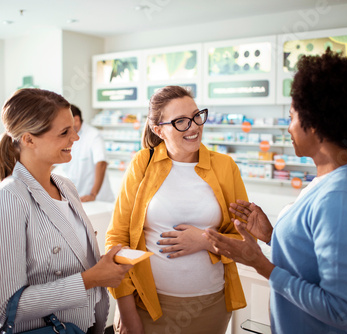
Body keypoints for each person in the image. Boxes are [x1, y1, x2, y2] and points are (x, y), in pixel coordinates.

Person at [205, 50, 347, 334]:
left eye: (291, 117)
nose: (288, 128)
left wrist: (260, 264)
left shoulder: (339, 199)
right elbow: (313, 260)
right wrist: (273, 236)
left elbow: (339, 310)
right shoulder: (330, 179)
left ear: (314, 123)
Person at [0, 89, 132, 334]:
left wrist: (103, 265)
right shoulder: (6, 200)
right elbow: (10, 307)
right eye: (64, 132)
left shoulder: (66, 187)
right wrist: (91, 279)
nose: (76, 138)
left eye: (74, 128)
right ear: (28, 140)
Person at [105, 85, 248, 334]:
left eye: (196, 116)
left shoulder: (225, 167)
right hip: (148, 306)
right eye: (180, 121)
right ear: (158, 129)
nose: (193, 126)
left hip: (211, 305)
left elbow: (245, 239)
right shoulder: (142, 164)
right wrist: (127, 312)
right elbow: (117, 240)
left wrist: (205, 241)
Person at [60, 104, 114, 202]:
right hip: (78, 197)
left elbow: (101, 163)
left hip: (97, 199)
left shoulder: (94, 135)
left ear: (76, 120)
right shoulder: (65, 137)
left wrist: (93, 194)